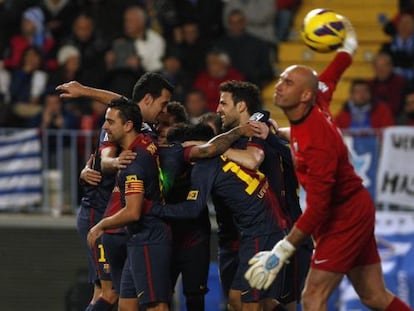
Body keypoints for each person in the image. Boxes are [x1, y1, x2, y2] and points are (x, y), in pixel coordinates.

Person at [244, 17, 413, 311]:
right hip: (353, 208)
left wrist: (281, 252)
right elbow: (338, 67)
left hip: (342, 217)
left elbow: (319, 206)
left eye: (289, 82)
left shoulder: (316, 144)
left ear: (305, 95)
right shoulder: (317, 97)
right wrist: (349, 42)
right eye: (282, 79)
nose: (280, 86)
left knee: (313, 297)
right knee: (374, 296)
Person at [87, 98, 171, 311]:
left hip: (149, 238)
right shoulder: (146, 142)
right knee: (125, 305)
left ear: (128, 125)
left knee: (156, 307)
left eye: (110, 122)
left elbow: (133, 212)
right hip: (138, 238)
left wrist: (101, 225)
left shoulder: (133, 163)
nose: (105, 127)